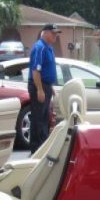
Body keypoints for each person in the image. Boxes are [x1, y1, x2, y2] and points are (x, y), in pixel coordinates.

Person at [28, 23, 60, 153]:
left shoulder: (49, 48)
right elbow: (36, 70)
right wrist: (40, 89)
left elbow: (46, 70)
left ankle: (39, 148)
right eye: (53, 33)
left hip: (45, 85)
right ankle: (39, 149)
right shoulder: (39, 47)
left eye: (56, 33)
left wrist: (49, 87)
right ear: (45, 32)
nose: (55, 36)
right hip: (38, 85)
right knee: (39, 119)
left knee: (44, 117)